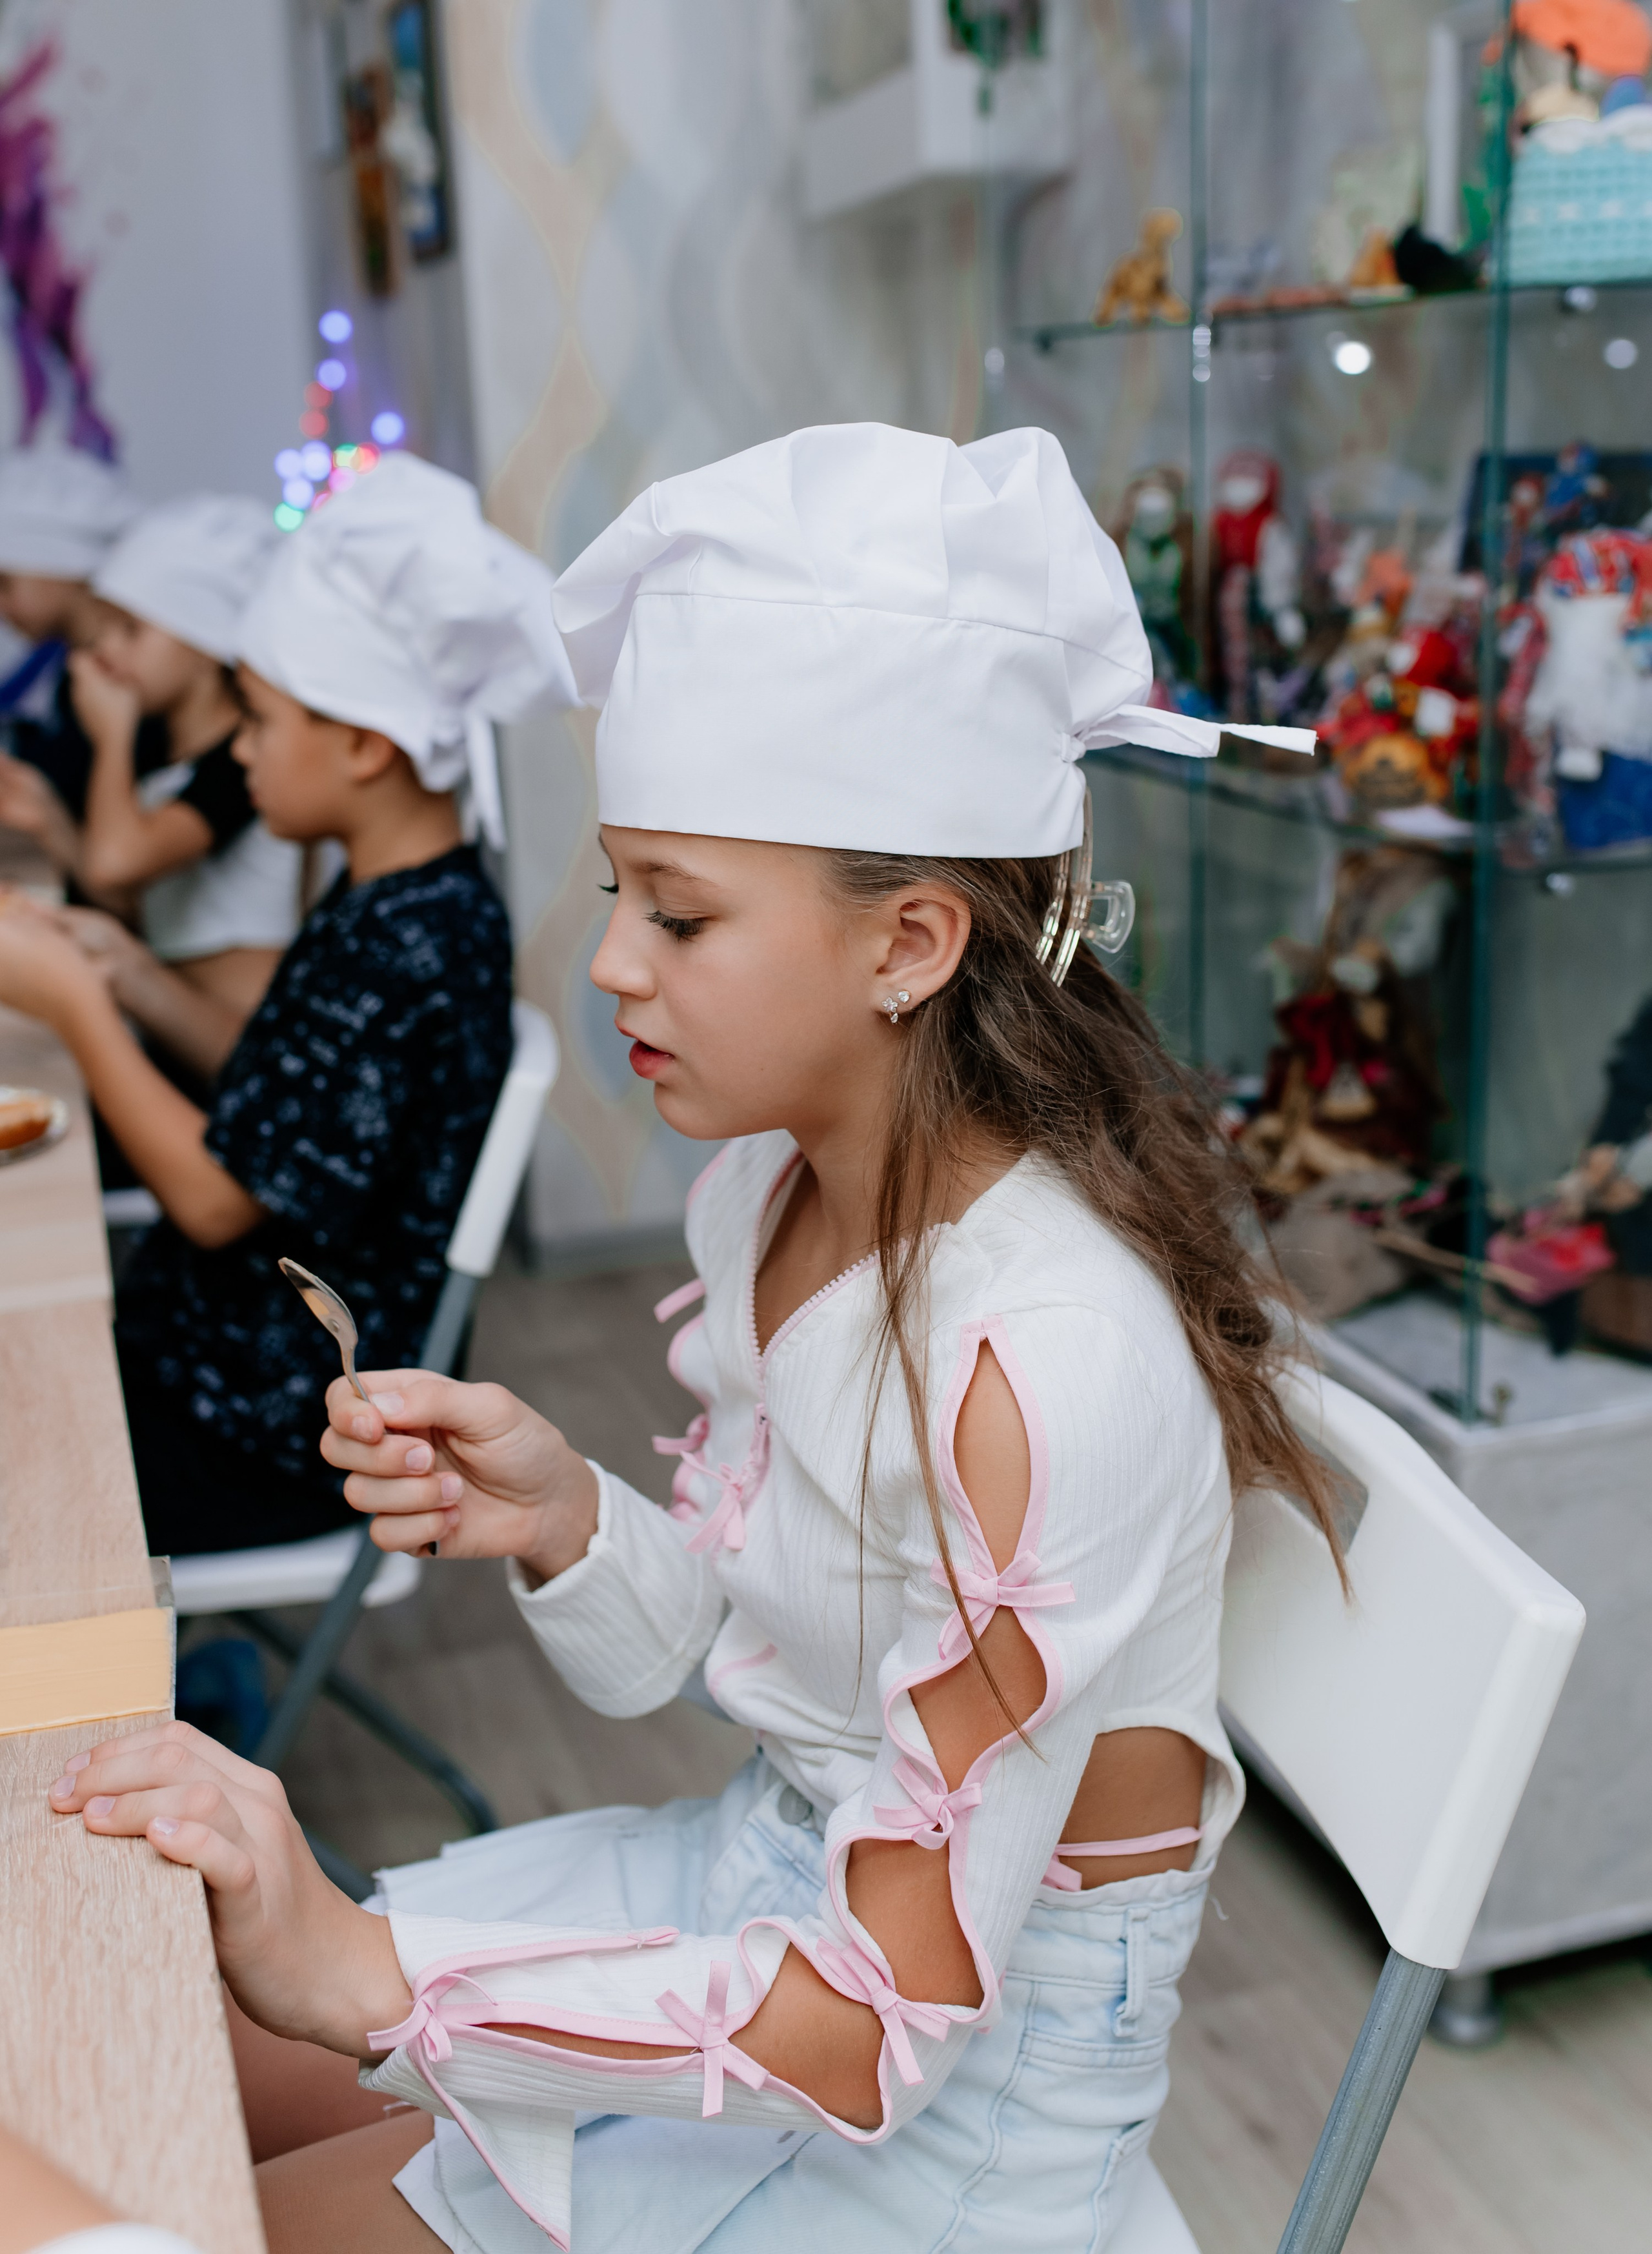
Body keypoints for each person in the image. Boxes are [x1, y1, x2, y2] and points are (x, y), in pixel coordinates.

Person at [45, 424, 1333, 2253]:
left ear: (908, 941)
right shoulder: (775, 1192)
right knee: (132, 2068)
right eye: (620, 893)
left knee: (186, 2185)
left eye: (680, 910)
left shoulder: (1042, 1364)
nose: (610, 962)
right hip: (766, 1883)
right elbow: (751, 1668)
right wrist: (568, 1514)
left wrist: (366, 1970)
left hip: (928, 2125)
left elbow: (875, 2028)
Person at [0, 452, 571, 1555]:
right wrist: (130, 974)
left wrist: (77, 1010)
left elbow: (220, 1202)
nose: (242, 750)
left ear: (363, 745)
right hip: (209, 1354)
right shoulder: (393, 895)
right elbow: (278, 1092)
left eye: (258, 720)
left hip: (271, 1422)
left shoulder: (410, 943)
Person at [0, 442, 169, 837]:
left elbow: (114, 856)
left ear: (62, 567)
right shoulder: (65, 676)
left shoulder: (140, 685)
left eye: (5, 583)